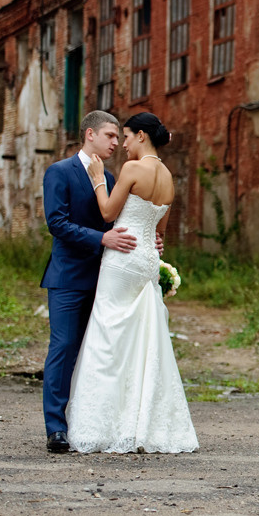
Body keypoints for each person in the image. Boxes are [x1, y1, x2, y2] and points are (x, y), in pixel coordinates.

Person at [65, 112, 198, 454]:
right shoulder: (168, 177)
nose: (122, 144)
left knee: (108, 335)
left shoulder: (132, 169)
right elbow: (160, 234)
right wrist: (154, 244)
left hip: (122, 259)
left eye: (125, 137)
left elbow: (109, 213)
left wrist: (97, 178)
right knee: (141, 339)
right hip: (147, 263)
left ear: (141, 136)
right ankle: (142, 423)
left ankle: (101, 425)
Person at [41, 110, 136, 454]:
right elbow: (57, 222)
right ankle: (55, 427)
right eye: (111, 135)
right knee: (64, 348)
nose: (115, 143)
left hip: (104, 278)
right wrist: (101, 239)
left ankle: (88, 422)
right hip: (67, 278)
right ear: (90, 135)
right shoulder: (59, 172)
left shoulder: (110, 179)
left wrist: (148, 238)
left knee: (95, 351)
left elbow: (119, 220)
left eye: (118, 137)